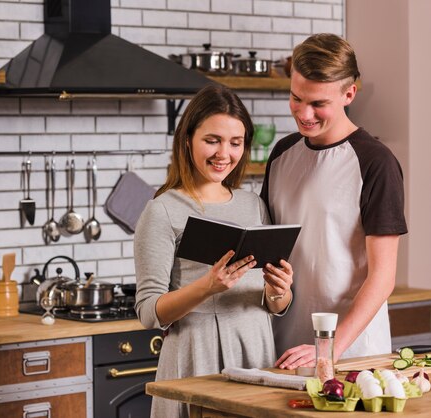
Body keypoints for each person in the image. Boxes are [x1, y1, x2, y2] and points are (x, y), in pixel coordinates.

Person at [134, 84, 294, 418]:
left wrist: (280, 293)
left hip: (256, 351)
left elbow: (272, 303)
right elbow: (150, 312)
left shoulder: (255, 205)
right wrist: (208, 286)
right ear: (188, 138)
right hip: (197, 353)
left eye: (235, 143)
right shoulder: (162, 210)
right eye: (212, 140)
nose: (225, 153)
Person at [259, 33, 408, 369]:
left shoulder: (375, 162)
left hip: (353, 354)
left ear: (349, 94)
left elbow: (383, 277)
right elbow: (270, 249)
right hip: (286, 347)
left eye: (318, 104)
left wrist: (330, 348)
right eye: (296, 98)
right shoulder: (282, 153)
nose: (304, 113)